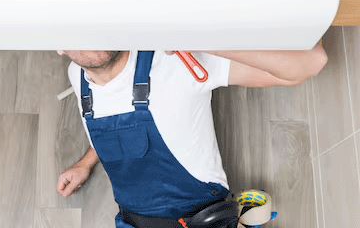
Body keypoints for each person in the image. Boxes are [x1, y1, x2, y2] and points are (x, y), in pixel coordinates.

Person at [56, 46, 328, 228]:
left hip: (199, 220)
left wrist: (201, 40)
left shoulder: (177, 60)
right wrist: (86, 162)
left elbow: (312, 62)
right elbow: (118, 118)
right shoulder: (77, 75)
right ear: (59, 46)